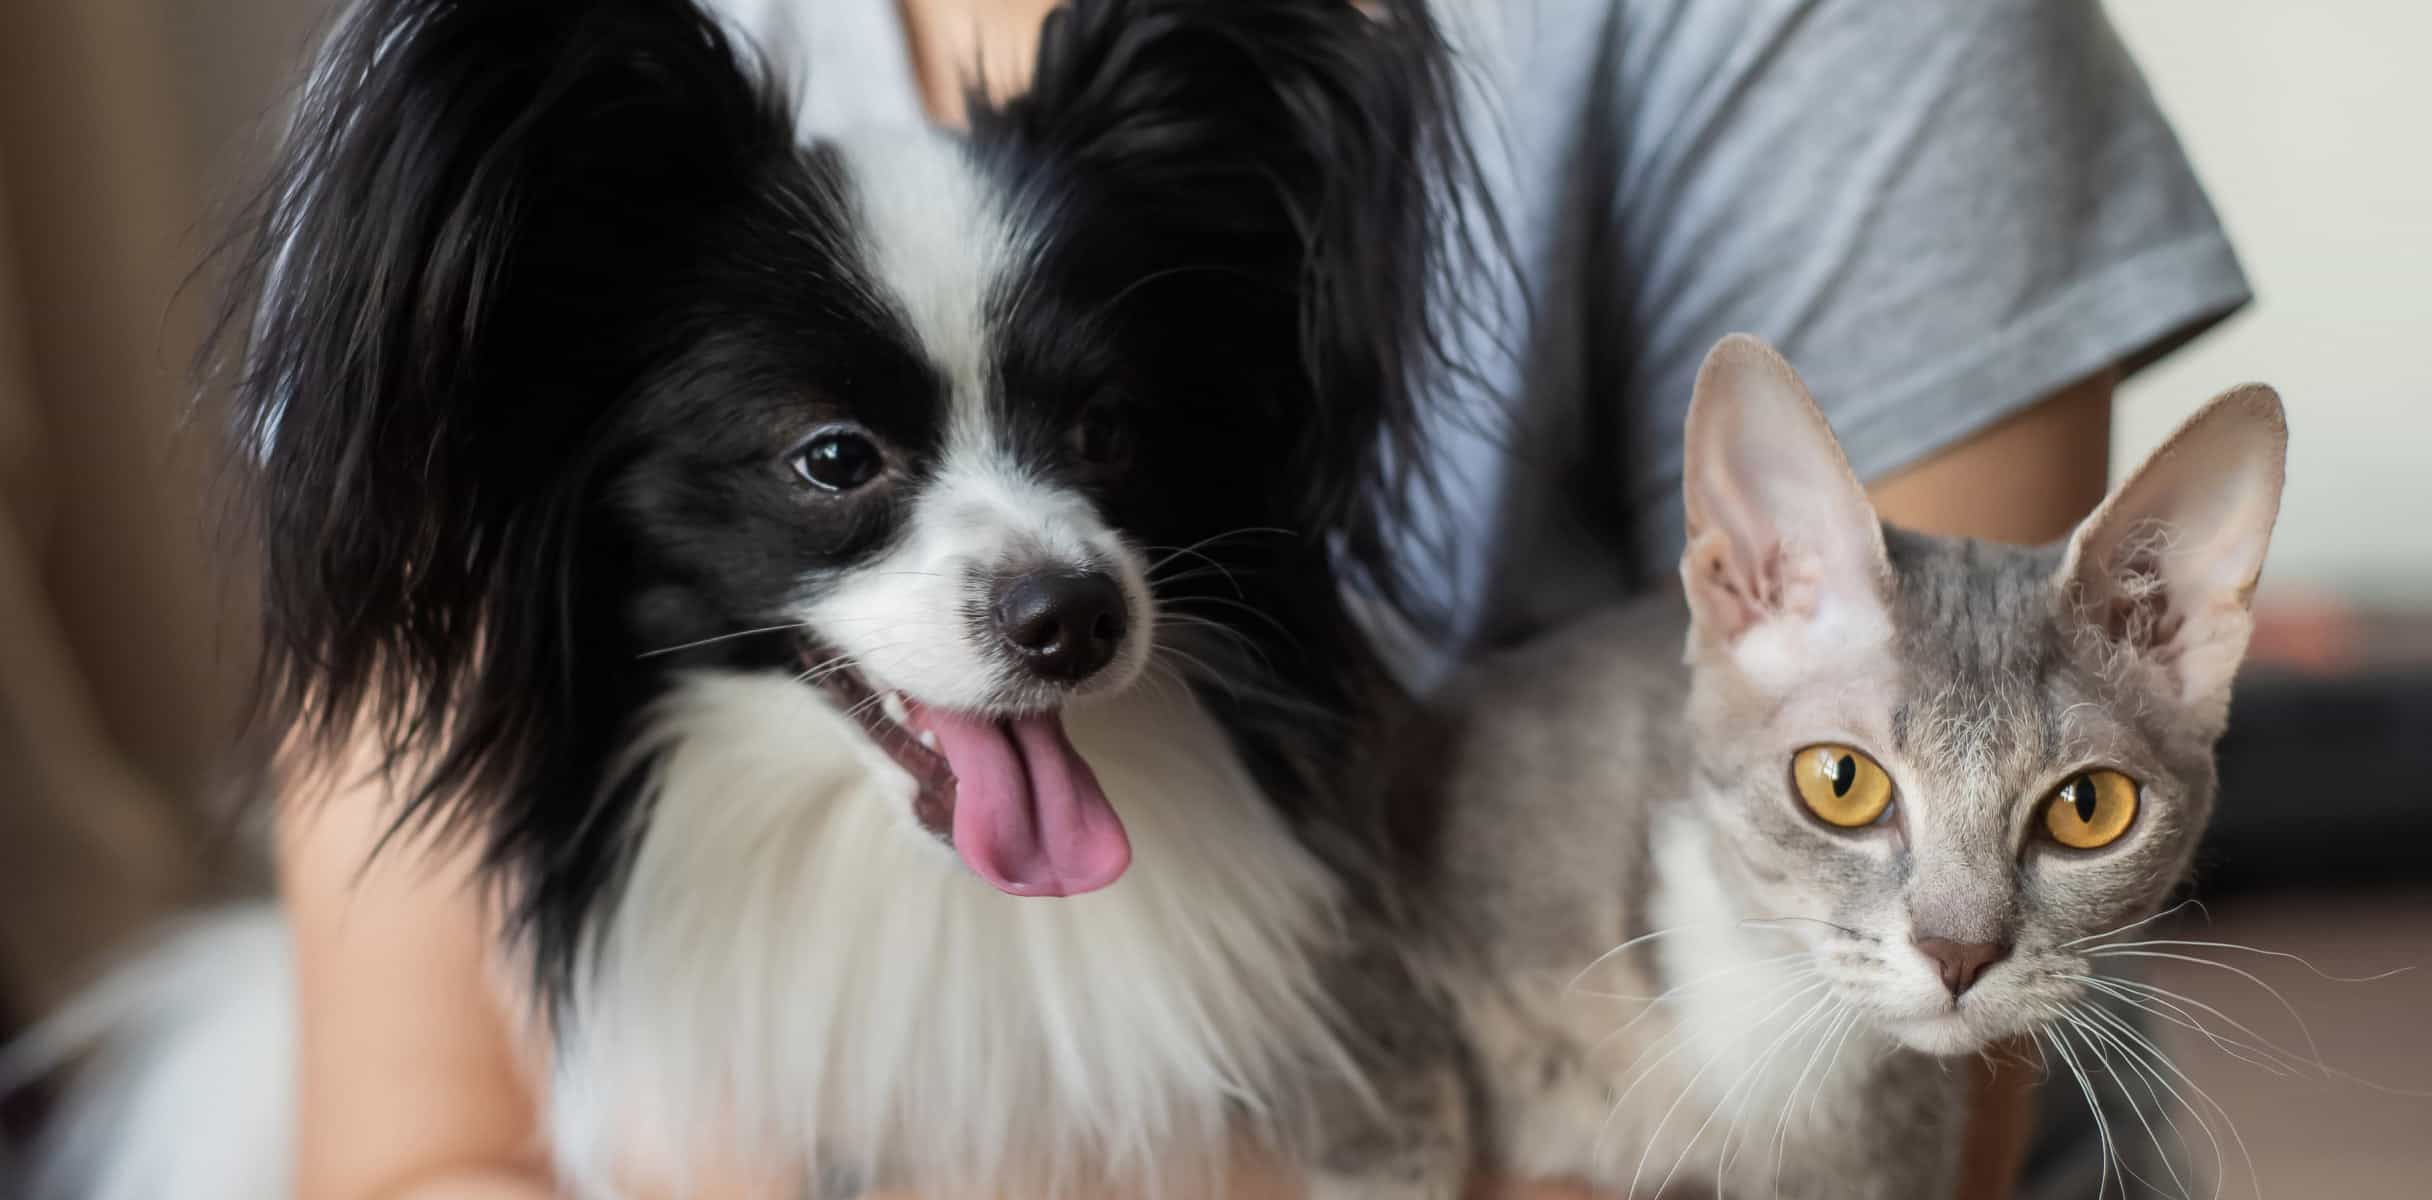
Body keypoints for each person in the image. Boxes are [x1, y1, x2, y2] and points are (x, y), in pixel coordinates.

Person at [281, 0, 2248, 1196]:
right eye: (836, 461)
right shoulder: (556, 184)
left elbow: (1901, 1094)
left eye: (1103, 445)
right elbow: (417, 1151)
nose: (1042, 572)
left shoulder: (1843, 39)